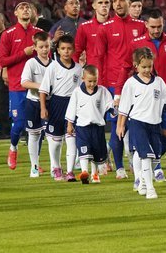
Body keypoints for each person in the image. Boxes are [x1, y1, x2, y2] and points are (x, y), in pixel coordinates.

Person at [117, 47, 166, 200]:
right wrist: (120, 125)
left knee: (152, 156)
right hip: (137, 123)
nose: (147, 69)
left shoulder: (158, 82)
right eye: (143, 66)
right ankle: (150, 188)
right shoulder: (130, 84)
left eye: (149, 66)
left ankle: (141, 179)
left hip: (154, 124)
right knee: (146, 156)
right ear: (136, 65)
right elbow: (124, 108)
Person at [102, 0, 147, 179]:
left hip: (139, 83)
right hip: (114, 84)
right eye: (114, 1)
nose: (118, 4)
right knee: (117, 125)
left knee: (139, 123)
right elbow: (100, 56)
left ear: (129, 2)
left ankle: (139, 160)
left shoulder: (141, 26)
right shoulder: (105, 28)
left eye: (121, 0)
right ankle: (119, 166)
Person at [132, 9, 166, 177]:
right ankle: (154, 168)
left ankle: (155, 161)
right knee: (149, 132)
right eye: (153, 27)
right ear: (146, 25)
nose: (156, 30)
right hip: (145, 97)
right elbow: (127, 68)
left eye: (159, 26)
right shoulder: (136, 43)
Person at [0, 1, 41, 171]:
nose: (25, 9)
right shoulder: (8, 34)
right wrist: (24, 53)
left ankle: (35, 163)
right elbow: (2, 61)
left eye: (28, 7)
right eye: (21, 7)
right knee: (20, 124)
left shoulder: (39, 33)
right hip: (17, 86)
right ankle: (13, 148)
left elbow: (47, 58)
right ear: (15, 13)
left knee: (38, 126)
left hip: (37, 87)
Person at [38, 34, 82, 182]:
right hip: (56, 104)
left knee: (71, 139)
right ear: (58, 50)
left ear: (74, 50)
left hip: (72, 106)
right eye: (63, 48)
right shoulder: (53, 66)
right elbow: (43, 90)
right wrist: (43, 108)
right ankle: (55, 167)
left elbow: (81, 91)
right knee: (56, 142)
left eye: (69, 49)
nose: (66, 51)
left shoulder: (78, 69)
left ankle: (69, 171)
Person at [66, 65, 114, 184]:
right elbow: (71, 109)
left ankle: (94, 174)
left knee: (96, 152)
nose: (92, 84)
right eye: (89, 81)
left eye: (95, 81)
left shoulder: (102, 91)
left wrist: (113, 109)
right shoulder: (77, 92)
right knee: (84, 150)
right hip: (82, 127)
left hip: (97, 127)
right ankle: (84, 172)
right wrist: (69, 124)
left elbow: (109, 103)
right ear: (83, 78)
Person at [20, 31, 53, 178]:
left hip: (51, 103)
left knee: (53, 136)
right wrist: (42, 86)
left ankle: (55, 166)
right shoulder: (31, 63)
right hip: (33, 102)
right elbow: (24, 82)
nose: (45, 49)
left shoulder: (54, 64)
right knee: (34, 134)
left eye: (47, 46)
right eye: (41, 47)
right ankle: (34, 166)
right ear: (35, 48)